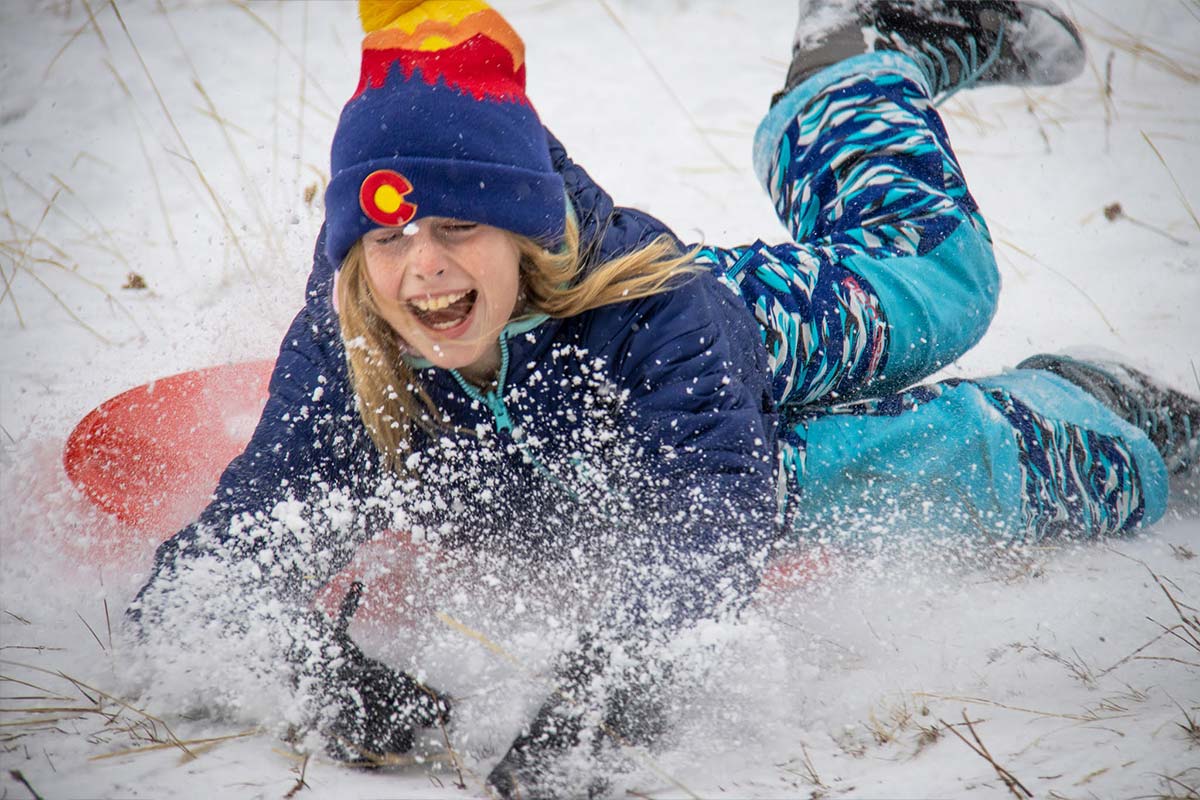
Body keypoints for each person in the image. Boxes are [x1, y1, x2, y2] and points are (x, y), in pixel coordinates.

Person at [128, 0, 1199, 796]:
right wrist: (303, 668)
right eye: (390, 239)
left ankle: (853, 68)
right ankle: (1066, 412)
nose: (424, 271)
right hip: (617, 462)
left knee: (941, 287)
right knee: (843, 472)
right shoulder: (354, 346)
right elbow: (215, 569)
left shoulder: (656, 309)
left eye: (458, 228)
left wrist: (621, 673)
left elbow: (710, 507)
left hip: (741, 330)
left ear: (521, 230)